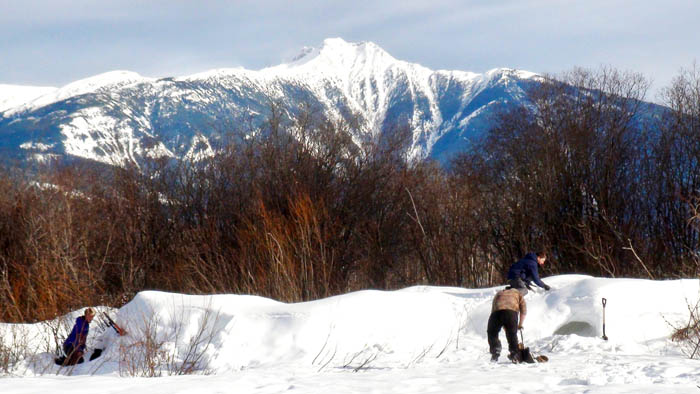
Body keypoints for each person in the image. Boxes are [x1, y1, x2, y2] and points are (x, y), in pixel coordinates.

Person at [487, 287, 526, 363]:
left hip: (496, 313)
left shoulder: (499, 293)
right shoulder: (518, 293)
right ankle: (514, 353)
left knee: (492, 332)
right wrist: (520, 324)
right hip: (511, 313)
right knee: (512, 334)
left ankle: (495, 351)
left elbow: (493, 309)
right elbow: (523, 311)